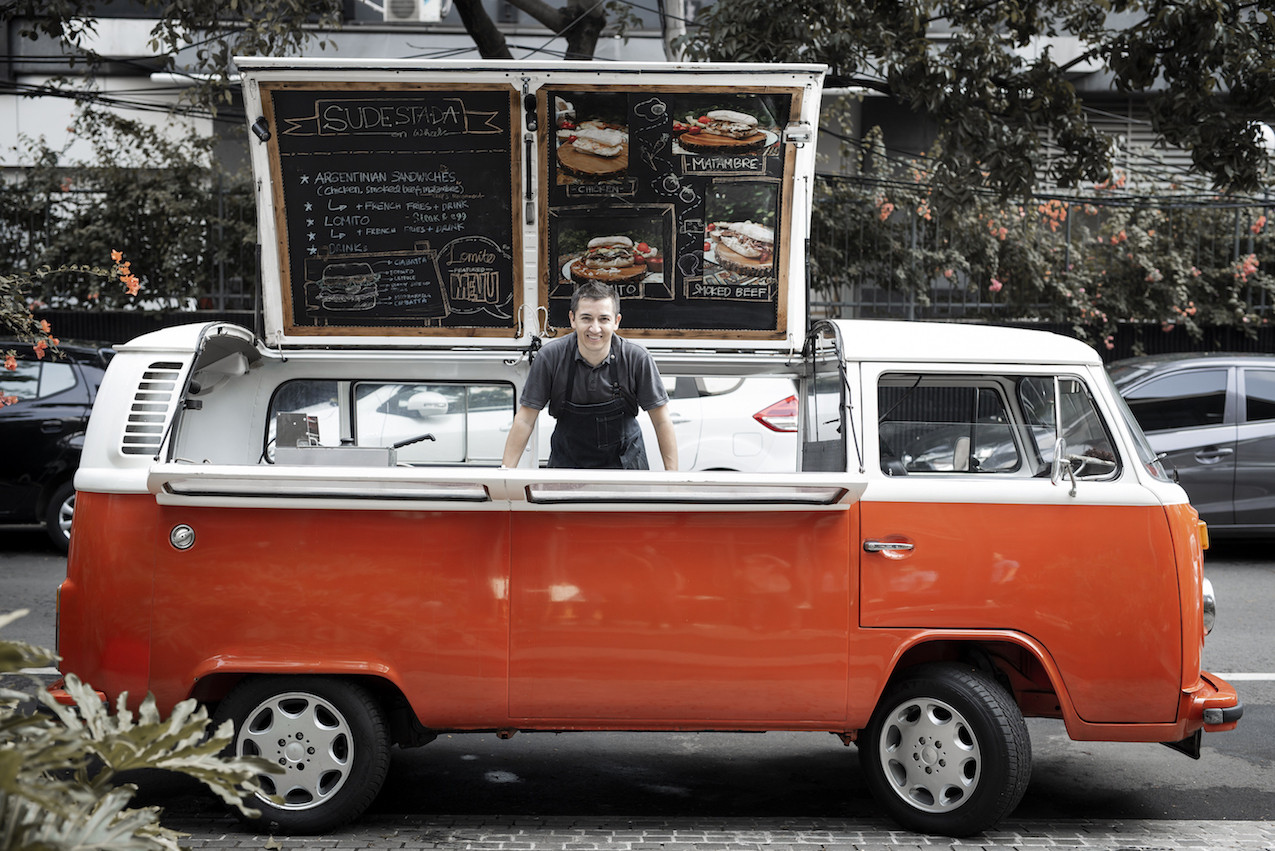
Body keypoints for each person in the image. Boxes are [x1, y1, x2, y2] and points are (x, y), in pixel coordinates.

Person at [501, 281, 678, 470]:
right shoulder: (550, 357)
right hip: (567, 468)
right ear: (572, 319)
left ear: (616, 321)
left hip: (626, 467)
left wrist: (673, 478)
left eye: (604, 319)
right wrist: (506, 473)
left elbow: (661, 421)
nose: (595, 328)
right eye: (586, 318)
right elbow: (525, 420)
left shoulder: (636, 357)